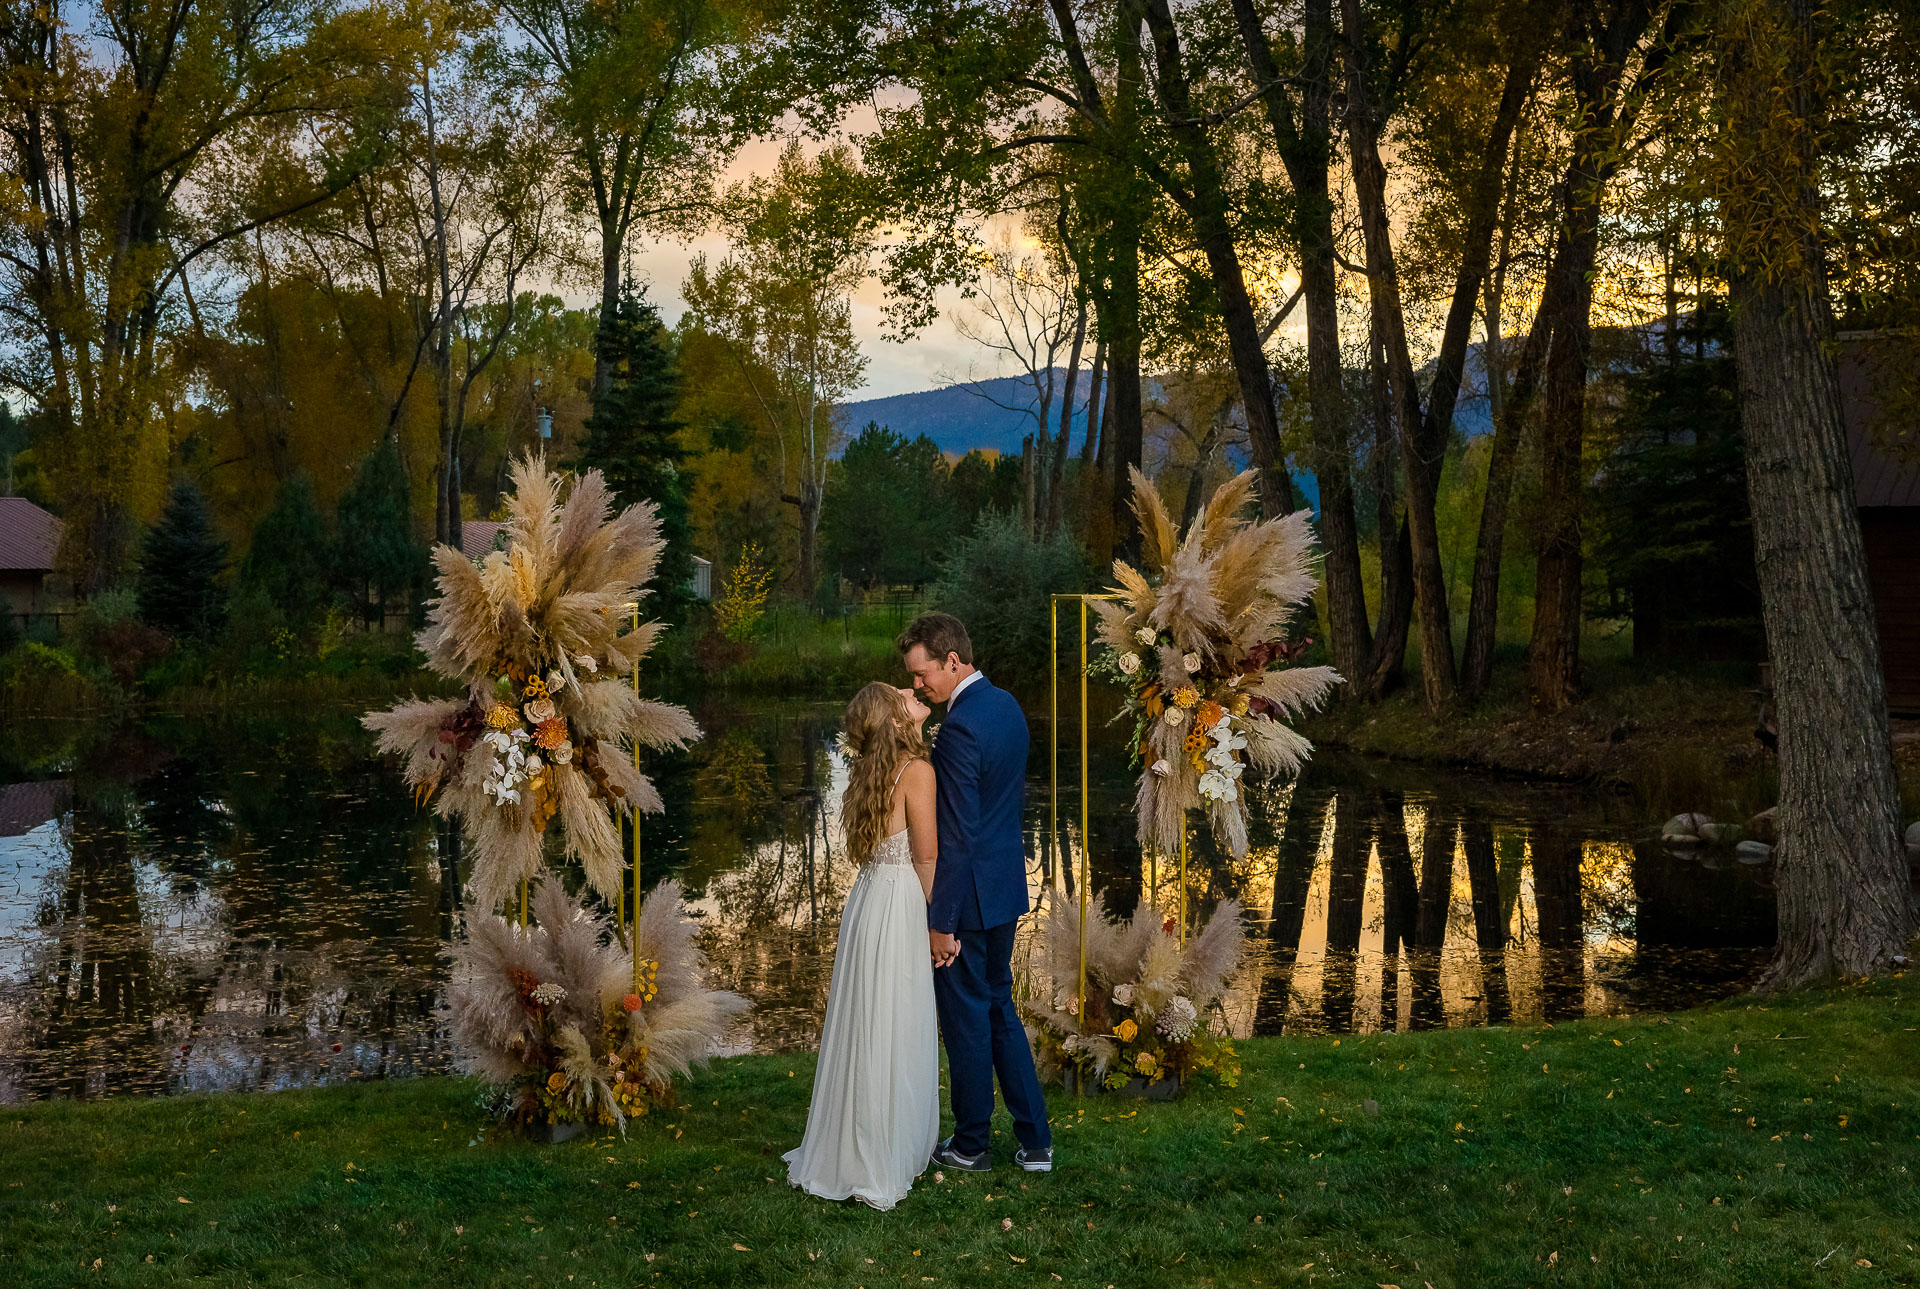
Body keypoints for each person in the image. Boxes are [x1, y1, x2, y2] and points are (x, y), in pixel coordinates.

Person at [897, 612, 1052, 1174]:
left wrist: (943, 919)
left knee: (966, 1020)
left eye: (922, 674)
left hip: (968, 898)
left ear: (952, 661)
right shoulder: (1006, 706)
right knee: (999, 1012)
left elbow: (957, 834)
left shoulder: (960, 727)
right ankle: (1036, 1142)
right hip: (1005, 886)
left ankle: (970, 1144)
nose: (918, 685)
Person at [784, 682, 942, 1209]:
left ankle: (854, 1145)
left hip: (868, 900)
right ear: (897, 722)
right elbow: (927, 859)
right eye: (903, 696)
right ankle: (881, 1152)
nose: (912, 692)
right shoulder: (917, 773)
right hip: (898, 904)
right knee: (892, 1019)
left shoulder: (870, 773)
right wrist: (936, 923)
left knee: (866, 1020)